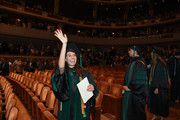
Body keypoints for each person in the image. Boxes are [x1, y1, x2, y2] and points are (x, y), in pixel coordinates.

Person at [51, 29, 99, 120]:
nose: (72, 57)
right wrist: (64, 44)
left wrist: (92, 87)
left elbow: (95, 90)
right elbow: (60, 68)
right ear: (65, 59)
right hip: (66, 107)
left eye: (74, 55)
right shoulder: (64, 73)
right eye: (69, 55)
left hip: (80, 109)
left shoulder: (85, 73)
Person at [122, 45, 148, 120]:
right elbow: (127, 77)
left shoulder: (139, 63)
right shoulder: (132, 62)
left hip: (136, 95)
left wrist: (129, 87)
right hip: (130, 93)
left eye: (130, 50)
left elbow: (139, 80)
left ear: (135, 52)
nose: (128, 52)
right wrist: (124, 85)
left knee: (136, 115)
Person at [148, 46, 169, 120]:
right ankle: (155, 115)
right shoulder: (155, 63)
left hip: (160, 88)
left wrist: (157, 87)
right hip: (154, 86)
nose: (151, 54)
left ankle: (162, 117)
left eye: (152, 53)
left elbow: (162, 77)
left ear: (156, 55)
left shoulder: (160, 64)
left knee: (161, 103)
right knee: (155, 103)